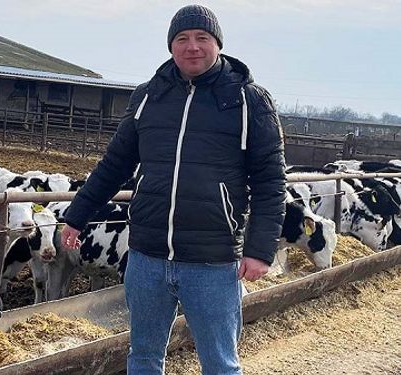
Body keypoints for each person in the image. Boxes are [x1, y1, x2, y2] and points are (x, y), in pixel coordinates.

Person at [61, 4, 286, 375]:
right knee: (144, 355)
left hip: (211, 259)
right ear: (171, 46)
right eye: (182, 38)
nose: (192, 47)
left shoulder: (249, 101)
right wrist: (77, 215)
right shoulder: (149, 96)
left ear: (218, 44)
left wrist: (260, 251)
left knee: (220, 363)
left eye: (202, 38)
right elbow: (115, 164)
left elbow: (270, 181)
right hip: (147, 256)